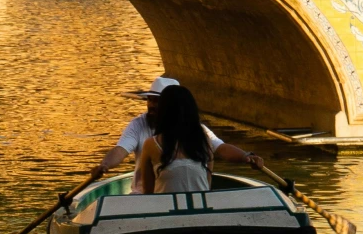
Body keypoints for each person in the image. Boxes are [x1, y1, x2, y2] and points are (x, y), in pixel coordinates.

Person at [94, 75, 265, 178]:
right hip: (144, 198)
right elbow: (120, 150)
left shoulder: (197, 130)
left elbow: (221, 148)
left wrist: (246, 157)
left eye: (158, 101)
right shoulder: (139, 124)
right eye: (150, 100)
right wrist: (105, 165)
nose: (152, 106)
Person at [132, 84, 216, 194]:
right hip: (199, 209)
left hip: (165, 209)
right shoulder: (204, 140)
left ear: (163, 111)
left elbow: (148, 193)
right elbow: (207, 187)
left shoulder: (151, 144)